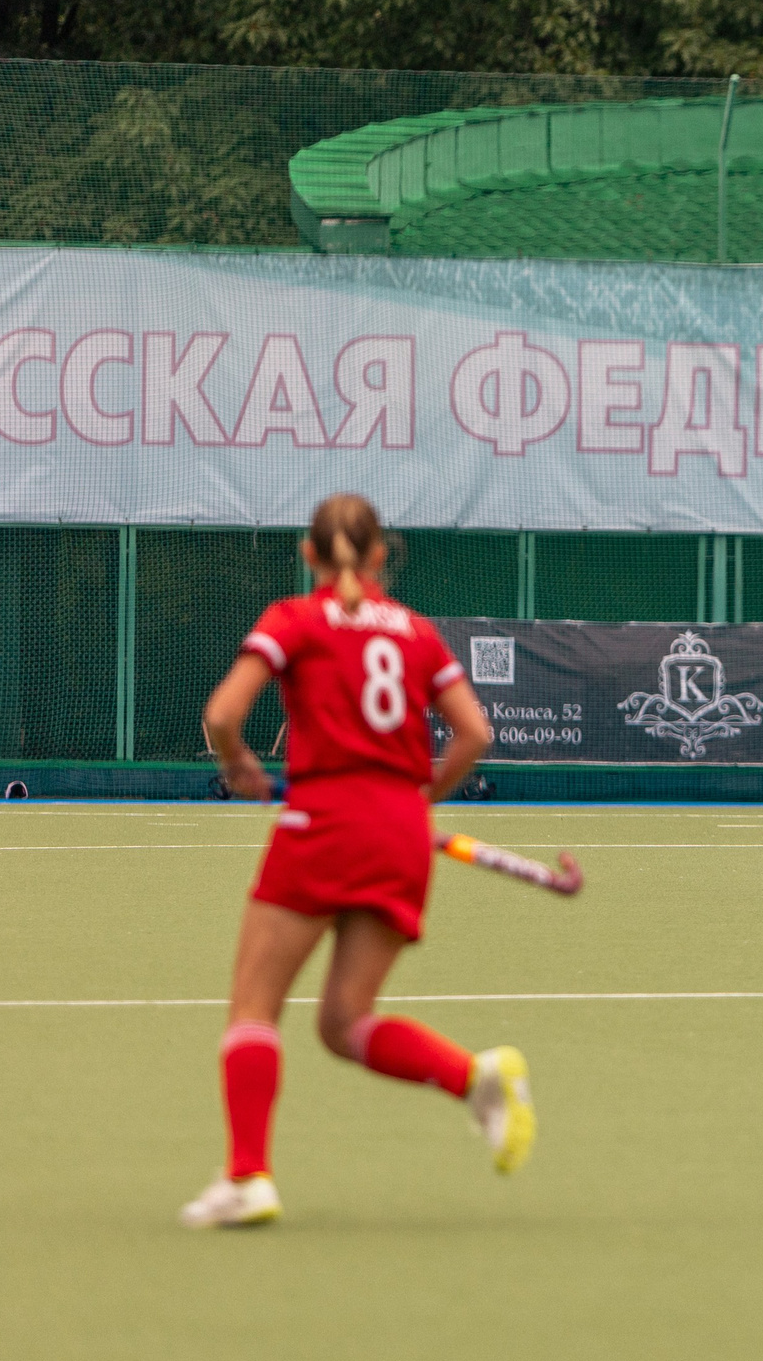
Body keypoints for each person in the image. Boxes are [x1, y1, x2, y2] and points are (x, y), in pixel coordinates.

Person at [181, 493, 522, 1230]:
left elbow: (220, 714)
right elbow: (473, 733)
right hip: (398, 835)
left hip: (321, 825)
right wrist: (414, 799)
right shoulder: (416, 631)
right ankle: (477, 1077)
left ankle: (248, 1176)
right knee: (343, 1021)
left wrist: (238, 762)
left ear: (309, 555)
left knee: (254, 1007)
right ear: (378, 557)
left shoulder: (292, 619)